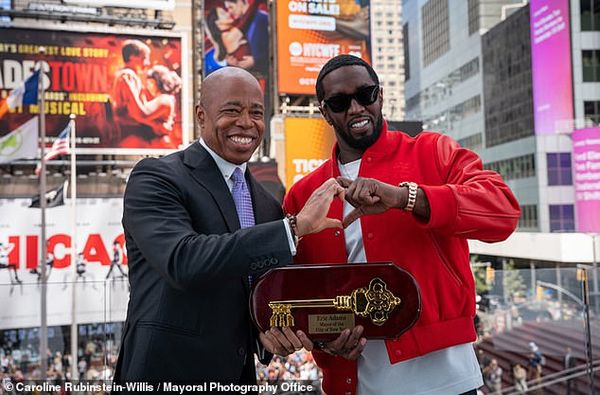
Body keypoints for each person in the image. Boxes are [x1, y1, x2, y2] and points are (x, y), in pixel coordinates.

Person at [283, 54, 521, 394]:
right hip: (351, 381)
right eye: (339, 102)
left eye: (365, 95)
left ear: (380, 96)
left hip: (447, 379)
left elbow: (503, 211)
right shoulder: (304, 194)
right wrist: (323, 344)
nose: (355, 109)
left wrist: (406, 199)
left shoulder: (433, 151)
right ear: (325, 112)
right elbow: (300, 295)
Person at [113, 67, 346, 386]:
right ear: (201, 115)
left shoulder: (267, 204)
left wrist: (272, 335)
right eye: (232, 110)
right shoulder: (156, 177)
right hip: (162, 375)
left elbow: (258, 299)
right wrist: (293, 228)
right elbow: (183, 261)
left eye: (256, 112)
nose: (247, 123)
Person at [111, 40, 178, 148]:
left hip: (135, 140)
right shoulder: (128, 76)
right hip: (131, 139)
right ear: (132, 57)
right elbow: (139, 113)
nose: (147, 63)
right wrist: (158, 125)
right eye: (144, 58)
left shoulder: (129, 76)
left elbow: (137, 113)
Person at [223, 0, 269, 75]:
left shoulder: (262, 18)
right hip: (247, 76)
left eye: (231, 7)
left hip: (265, 76)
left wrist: (256, 61)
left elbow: (277, 47)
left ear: (240, 2)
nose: (230, 12)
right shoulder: (238, 24)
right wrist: (235, 64)